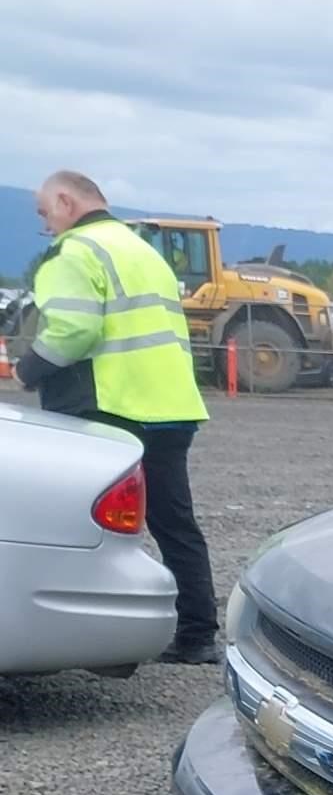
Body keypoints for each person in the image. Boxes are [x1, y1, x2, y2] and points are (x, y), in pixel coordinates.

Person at [18, 170, 218, 663]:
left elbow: (73, 330)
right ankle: (197, 634)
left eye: (45, 214)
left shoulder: (75, 252)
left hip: (110, 406)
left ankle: (89, 632)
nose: (46, 227)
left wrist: (28, 368)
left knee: (84, 525)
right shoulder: (140, 250)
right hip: (170, 404)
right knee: (174, 522)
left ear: (65, 202)